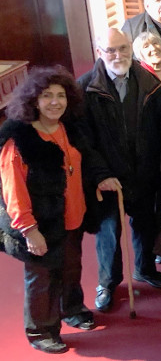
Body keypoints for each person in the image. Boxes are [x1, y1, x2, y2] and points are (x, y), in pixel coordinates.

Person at [0, 67, 97, 354]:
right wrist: (30, 231)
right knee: (41, 278)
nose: (55, 102)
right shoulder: (20, 140)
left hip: (72, 217)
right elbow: (12, 192)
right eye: (47, 96)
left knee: (70, 267)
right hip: (39, 223)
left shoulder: (69, 128)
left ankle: (73, 309)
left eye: (60, 95)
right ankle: (40, 331)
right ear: (33, 101)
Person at [78, 28, 161, 313]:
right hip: (107, 179)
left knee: (147, 226)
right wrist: (101, 175)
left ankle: (144, 268)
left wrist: (160, 171)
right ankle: (108, 283)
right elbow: (83, 140)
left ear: (131, 49)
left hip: (144, 174)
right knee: (108, 233)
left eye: (123, 48)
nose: (118, 55)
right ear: (99, 53)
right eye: (111, 50)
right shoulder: (84, 89)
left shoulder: (151, 84)